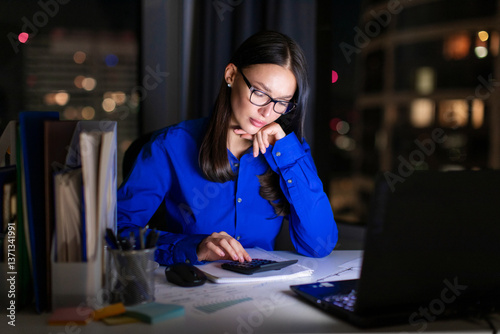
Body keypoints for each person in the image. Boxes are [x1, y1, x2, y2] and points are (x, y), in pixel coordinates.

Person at [117, 30, 338, 265]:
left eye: (282, 103)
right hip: (191, 287)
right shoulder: (170, 146)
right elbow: (118, 231)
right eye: (260, 93)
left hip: (261, 294)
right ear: (231, 75)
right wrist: (193, 246)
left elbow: (319, 245)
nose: (267, 113)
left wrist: (288, 157)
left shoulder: (289, 152)